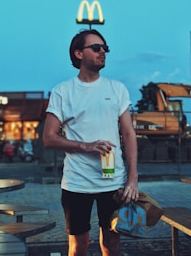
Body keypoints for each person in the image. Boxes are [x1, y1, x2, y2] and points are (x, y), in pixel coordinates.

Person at [43, 29, 139, 256]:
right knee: (78, 247)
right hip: (77, 183)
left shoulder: (117, 89)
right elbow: (49, 137)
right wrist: (86, 146)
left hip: (114, 183)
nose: (102, 52)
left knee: (112, 244)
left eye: (105, 48)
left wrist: (133, 178)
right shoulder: (63, 91)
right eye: (96, 48)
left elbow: (128, 134)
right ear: (78, 53)